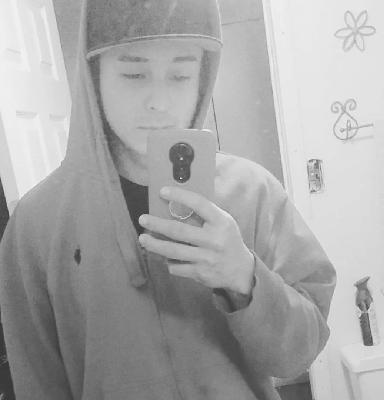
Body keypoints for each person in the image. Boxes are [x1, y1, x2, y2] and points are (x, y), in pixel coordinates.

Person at [0, 0, 336, 399]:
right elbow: (37, 384)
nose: (158, 101)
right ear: (93, 75)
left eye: (179, 75)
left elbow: (298, 355)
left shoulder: (253, 191)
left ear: (202, 78)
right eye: (134, 73)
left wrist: (244, 277)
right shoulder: (36, 225)